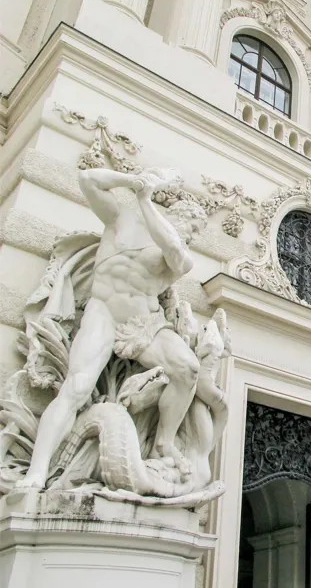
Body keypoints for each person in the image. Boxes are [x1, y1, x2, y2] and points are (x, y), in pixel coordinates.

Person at [17, 167, 207, 490]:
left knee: (188, 369)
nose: (190, 235)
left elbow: (174, 248)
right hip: (103, 313)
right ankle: (37, 470)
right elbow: (87, 180)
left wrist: (145, 199)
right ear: (174, 214)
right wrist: (129, 182)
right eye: (190, 227)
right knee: (76, 388)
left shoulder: (179, 255)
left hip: (145, 322)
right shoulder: (123, 220)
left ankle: (163, 442)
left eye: (194, 233)